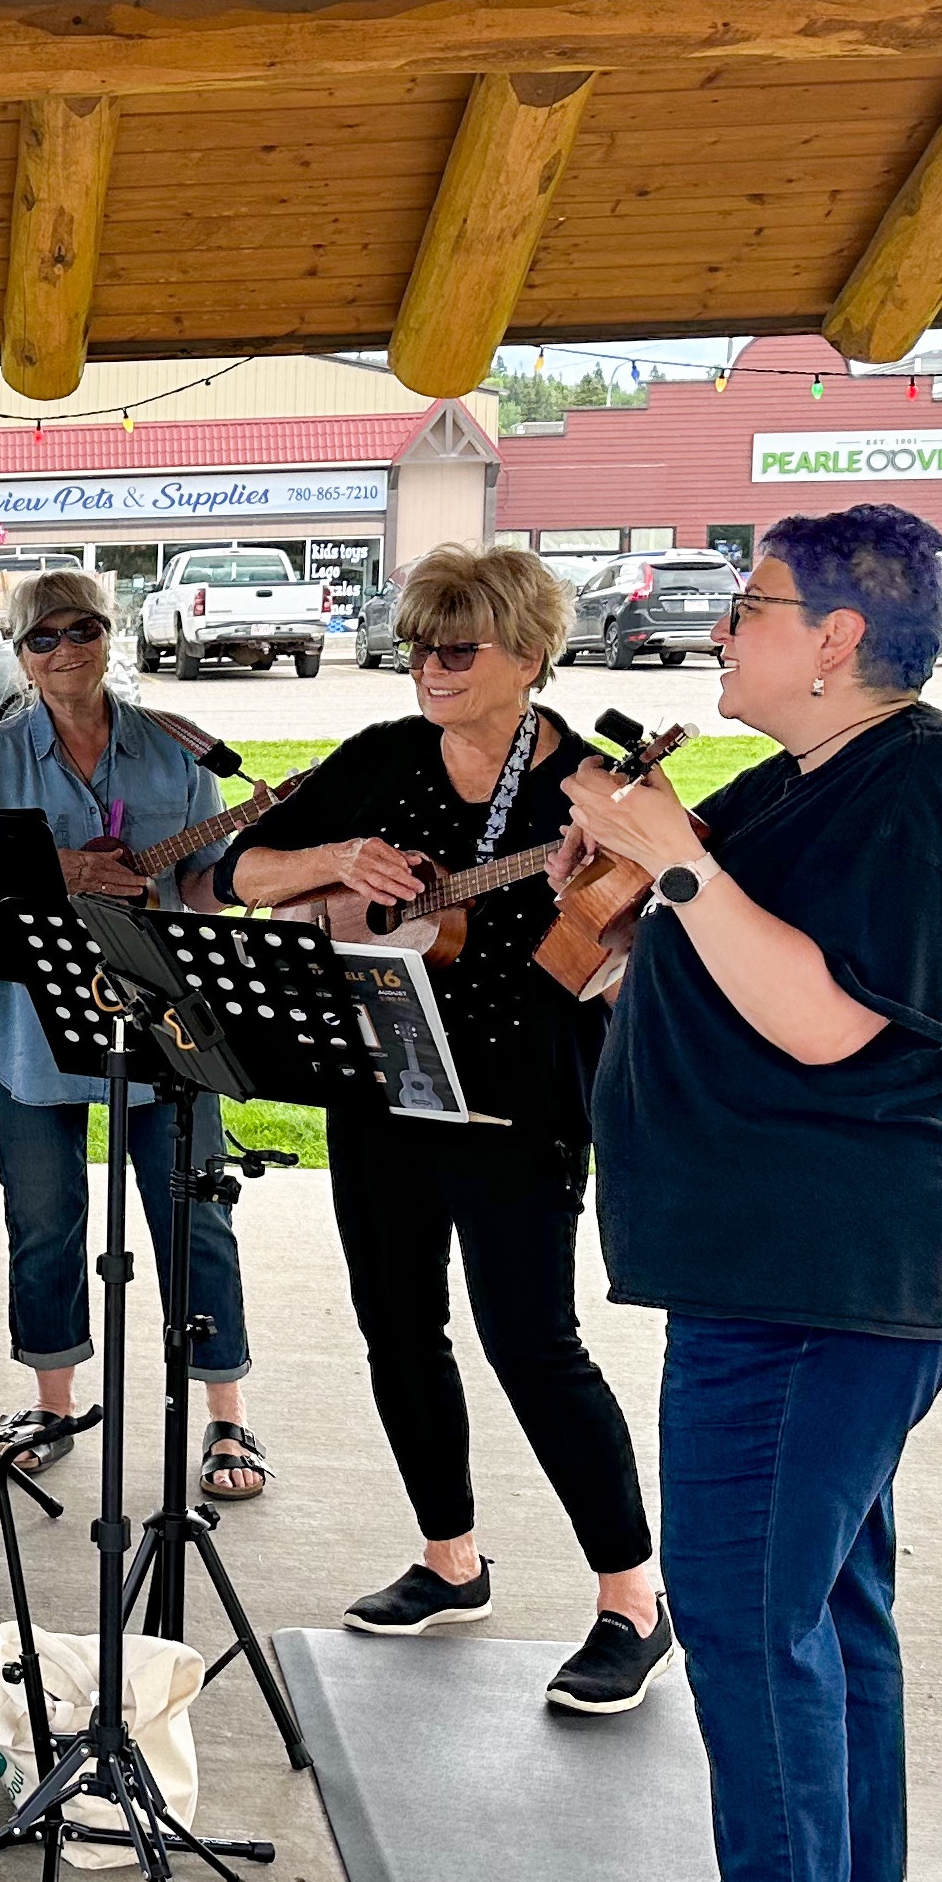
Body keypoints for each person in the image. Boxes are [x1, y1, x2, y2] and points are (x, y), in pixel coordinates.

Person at [558, 507, 942, 1882]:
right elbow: (651, 953)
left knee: (750, 1612)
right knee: (823, 1595)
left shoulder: (924, 787)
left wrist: (673, 859)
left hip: (829, 1267)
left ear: (834, 638)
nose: (717, 628)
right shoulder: (791, 784)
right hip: (777, 1257)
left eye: (746, 605)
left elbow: (829, 1023)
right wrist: (623, 870)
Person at [221, 543, 667, 1715]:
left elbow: (619, 955)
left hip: (521, 1093)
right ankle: (449, 1558)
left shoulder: (596, 789)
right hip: (380, 1080)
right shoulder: (383, 758)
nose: (430, 664)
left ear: (529, 654)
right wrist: (331, 857)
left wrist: (605, 906)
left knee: (531, 1340)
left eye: (457, 646)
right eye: (418, 641)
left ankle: (633, 1596)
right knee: (398, 1328)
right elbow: (235, 872)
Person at [0, 570, 266, 1499]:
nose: (65, 649)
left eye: (81, 628)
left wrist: (236, 872)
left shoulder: (175, 752)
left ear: (107, 633)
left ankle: (226, 1421)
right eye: (42, 637)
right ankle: (51, 1403)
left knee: (195, 1216)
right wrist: (61, 872)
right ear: (20, 655)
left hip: (162, 1018)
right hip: (27, 1024)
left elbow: (207, 883)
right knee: (42, 1221)